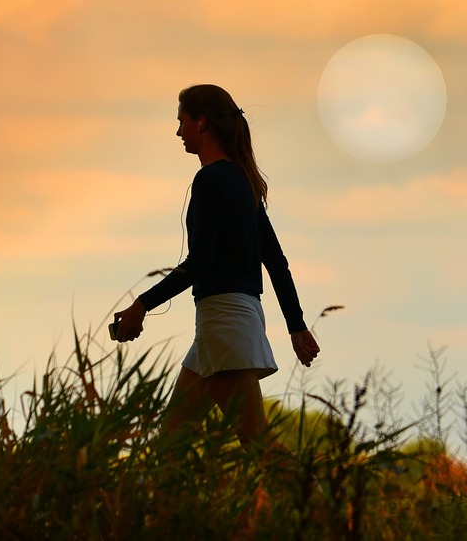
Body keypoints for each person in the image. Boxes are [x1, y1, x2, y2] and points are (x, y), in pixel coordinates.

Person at [112, 84, 321, 451]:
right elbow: (275, 260)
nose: (178, 132)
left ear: (201, 122)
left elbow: (200, 263)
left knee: (260, 445)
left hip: (225, 322)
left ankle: (324, 509)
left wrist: (141, 304)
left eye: (182, 121)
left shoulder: (211, 180)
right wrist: (296, 325)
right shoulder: (244, 184)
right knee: (170, 445)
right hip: (222, 324)